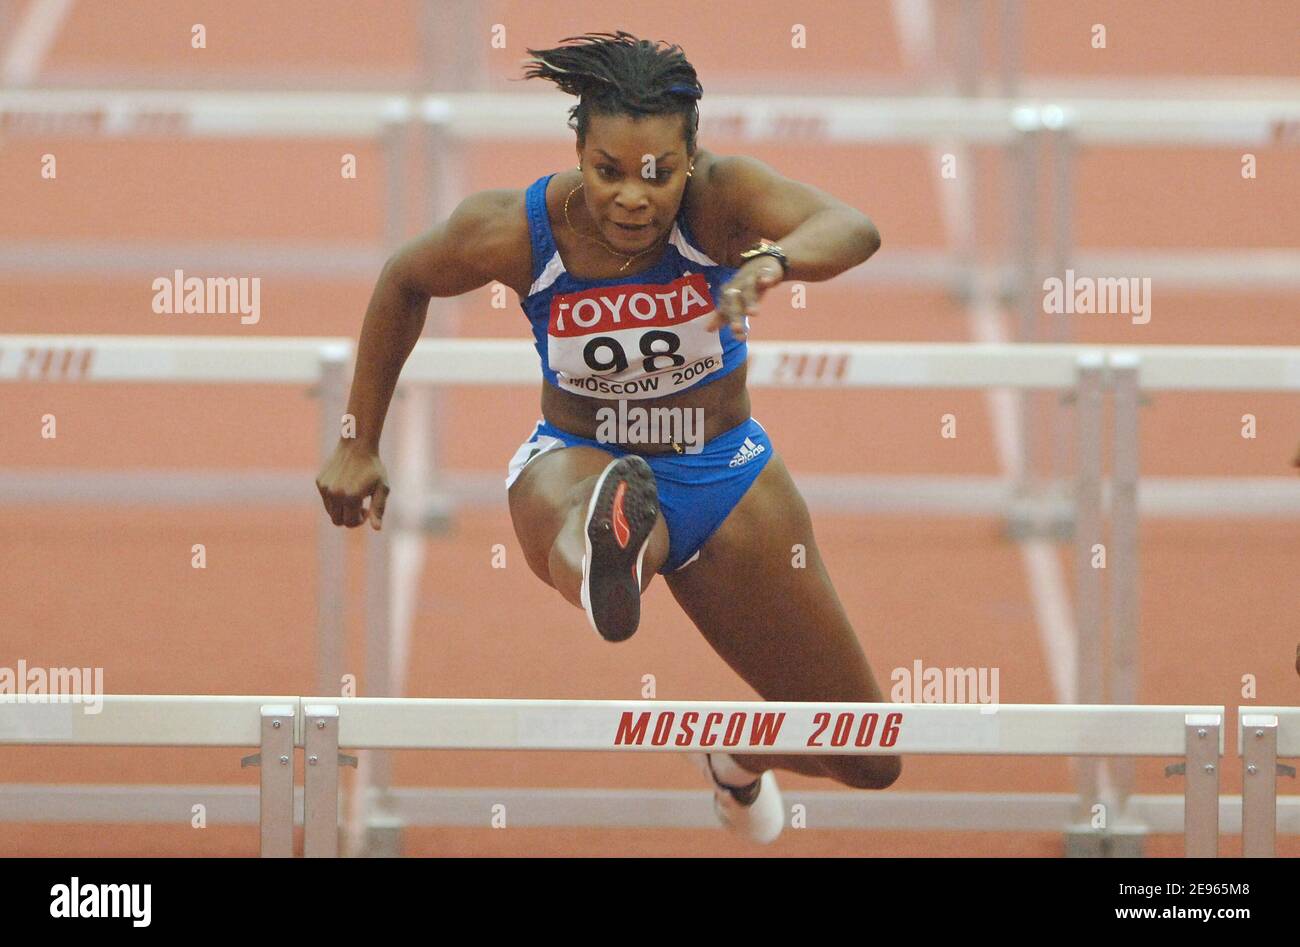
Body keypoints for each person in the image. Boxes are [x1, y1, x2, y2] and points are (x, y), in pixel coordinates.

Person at [316, 31, 900, 844]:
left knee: (870, 753)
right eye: (610, 171)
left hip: (725, 471)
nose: (635, 196)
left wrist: (774, 261)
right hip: (576, 458)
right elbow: (406, 278)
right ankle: (606, 554)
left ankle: (735, 757)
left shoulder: (724, 201)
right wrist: (357, 437)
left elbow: (853, 226)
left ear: (692, 158)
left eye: (659, 172)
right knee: (609, 515)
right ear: (579, 154)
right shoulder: (518, 229)